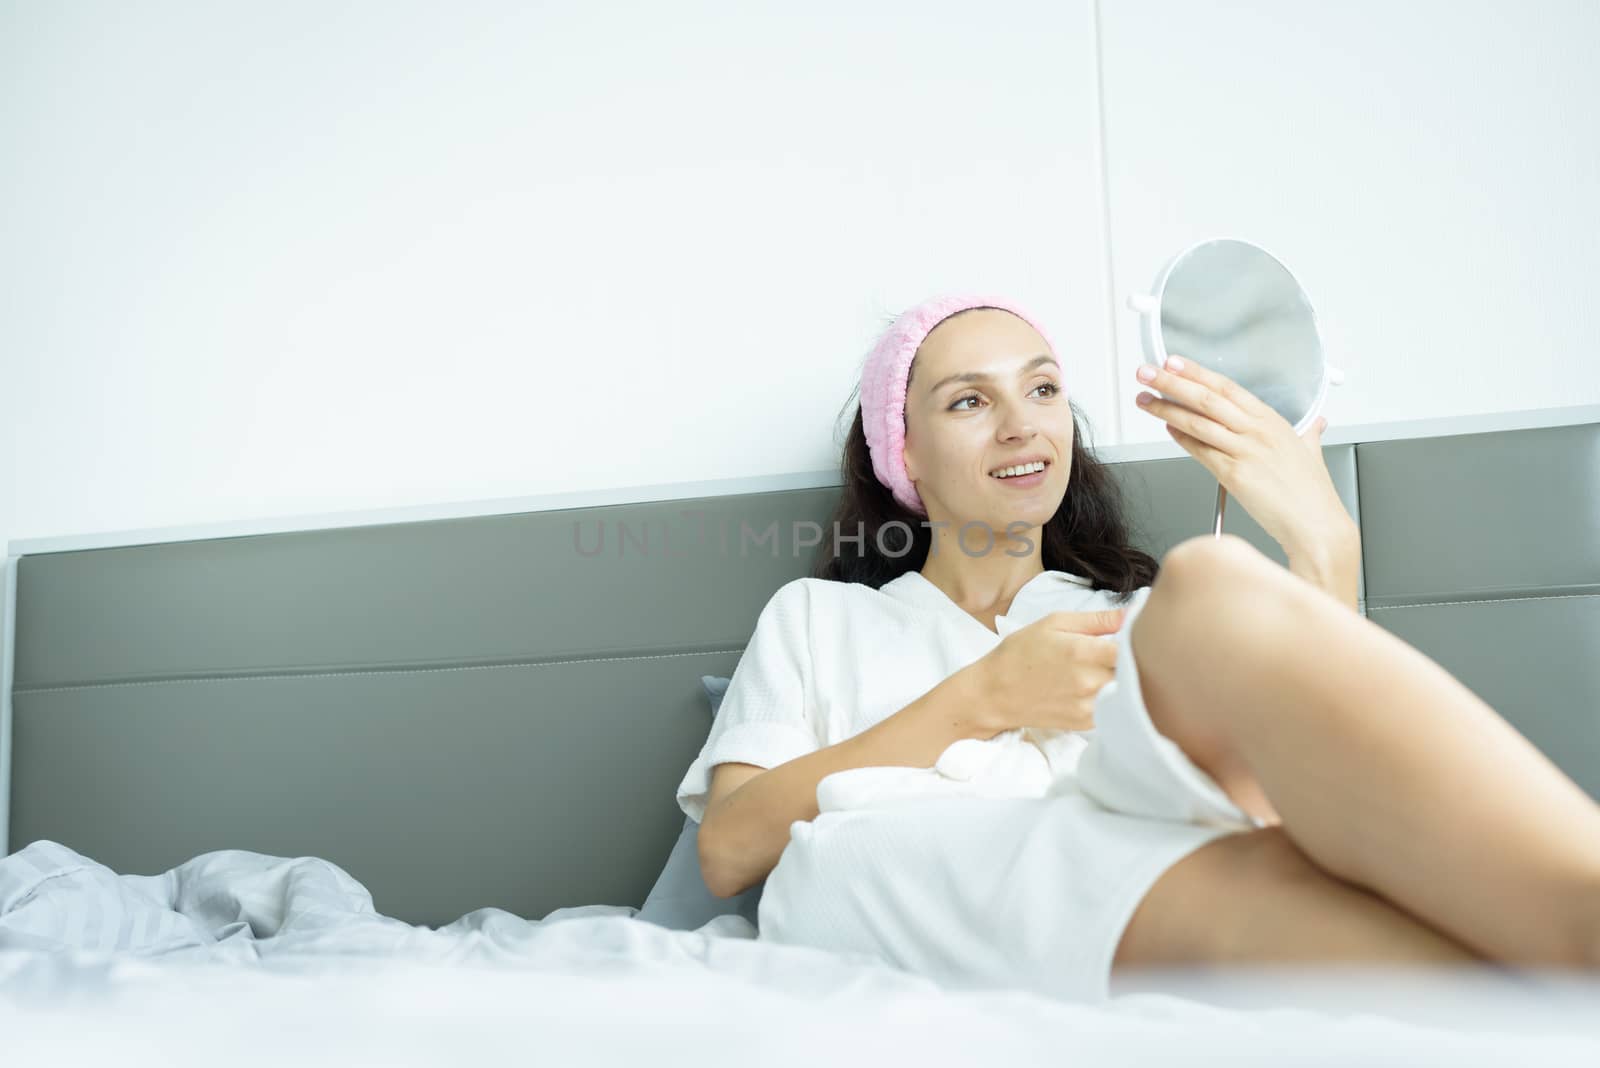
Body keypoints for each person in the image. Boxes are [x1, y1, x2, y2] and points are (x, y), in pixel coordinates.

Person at [674, 292, 1600, 1003]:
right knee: (1177, 852)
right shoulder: (818, 617)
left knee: (1213, 585)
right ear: (901, 452)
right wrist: (983, 700)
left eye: (1042, 388)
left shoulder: (1135, 611)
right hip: (902, 867)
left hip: (1129, 841)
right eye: (968, 401)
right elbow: (728, 850)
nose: (1023, 423)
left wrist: (1326, 547)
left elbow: (1295, 803)